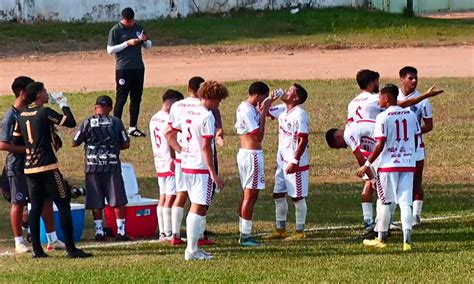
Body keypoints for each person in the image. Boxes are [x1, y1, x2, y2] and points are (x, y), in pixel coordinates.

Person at [13, 82, 91, 258]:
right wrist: (64, 104)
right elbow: (70, 122)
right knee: (63, 203)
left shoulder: (21, 116)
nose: (47, 95)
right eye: (45, 92)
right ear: (39, 95)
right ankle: (71, 249)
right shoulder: (44, 112)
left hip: (30, 169)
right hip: (48, 166)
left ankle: (37, 250)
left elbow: (16, 140)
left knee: (35, 208)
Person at [0, 76, 66, 254]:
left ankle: (52, 239)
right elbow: (3, 144)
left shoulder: (34, 112)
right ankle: (18, 241)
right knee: (18, 201)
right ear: (22, 93)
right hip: (17, 166)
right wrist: (29, 149)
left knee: (45, 199)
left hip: (35, 165)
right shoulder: (11, 115)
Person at [168, 80, 228, 260]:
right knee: (198, 207)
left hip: (186, 165)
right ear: (210, 97)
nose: (219, 104)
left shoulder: (188, 111)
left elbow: (168, 133)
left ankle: (192, 249)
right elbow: (205, 147)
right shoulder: (207, 116)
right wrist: (213, 173)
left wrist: (180, 150)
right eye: (218, 100)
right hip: (200, 167)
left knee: (195, 205)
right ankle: (192, 250)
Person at [357, 84, 421, 252]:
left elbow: (380, 144)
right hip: (407, 164)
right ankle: (407, 242)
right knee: (405, 203)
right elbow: (416, 139)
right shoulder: (411, 115)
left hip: (388, 166)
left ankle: (381, 239)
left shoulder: (383, 117)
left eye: (380, 97)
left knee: (385, 202)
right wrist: (410, 156)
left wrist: (367, 164)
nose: (378, 100)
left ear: (386, 98)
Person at [72, 95, 130, 241]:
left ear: (95, 107)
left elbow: (74, 142)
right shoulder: (116, 122)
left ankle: (99, 231)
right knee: (117, 199)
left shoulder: (87, 122)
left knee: (95, 200)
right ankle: (121, 232)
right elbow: (125, 143)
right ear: (110, 108)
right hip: (111, 166)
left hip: (92, 167)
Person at [264, 83, 310, 241]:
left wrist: (295, 160)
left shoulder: (300, 114)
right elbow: (264, 112)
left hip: (295, 163)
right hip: (282, 162)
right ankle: (280, 229)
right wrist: (270, 99)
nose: (286, 91)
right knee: (278, 195)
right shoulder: (283, 110)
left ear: (296, 97)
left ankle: (300, 231)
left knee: (297, 197)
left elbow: (303, 139)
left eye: (290, 91)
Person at [398, 66, 439, 225]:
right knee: (399, 180)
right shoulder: (395, 97)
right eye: (410, 78)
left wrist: (415, 132)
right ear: (402, 79)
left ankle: (415, 215)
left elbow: (429, 125)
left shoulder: (424, 101)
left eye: (416, 78)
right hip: (399, 148)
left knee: (416, 180)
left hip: (416, 147)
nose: (414, 81)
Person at [325, 119, 378, 239]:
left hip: (385, 148)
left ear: (338, 136)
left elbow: (359, 157)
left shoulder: (348, 134)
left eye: (339, 146)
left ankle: (379, 227)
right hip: (380, 149)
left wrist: (371, 177)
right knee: (372, 185)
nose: (343, 148)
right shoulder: (352, 128)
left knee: (380, 188)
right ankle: (373, 224)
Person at [234, 81, 271, 246]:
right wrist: (262, 114)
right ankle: (245, 235)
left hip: (247, 154)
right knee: (250, 195)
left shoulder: (246, 108)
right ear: (257, 96)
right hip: (252, 155)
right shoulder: (247, 110)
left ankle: (243, 230)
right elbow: (258, 136)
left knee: (248, 194)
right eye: (262, 99)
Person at [107, 7, 152, 138]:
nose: (131, 23)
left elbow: (148, 45)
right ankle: (116, 127)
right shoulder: (115, 30)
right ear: (123, 19)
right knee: (121, 98)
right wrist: (127, 43)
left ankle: (133, 127)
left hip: (138, 68)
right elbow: (110, 50)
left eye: (132, 20)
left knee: (136, 98)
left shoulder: (138, 28)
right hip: (123, 69)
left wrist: (145, 40)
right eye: (128, 21)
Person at [149, 89, 184, 242]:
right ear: (171, 102)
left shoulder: (154, 118)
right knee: (170, 196)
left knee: (163, 196)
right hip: (169, 160)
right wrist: (174, 157)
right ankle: (168, 232)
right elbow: (170, 138)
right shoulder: (167, 119)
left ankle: (163, 232)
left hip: (158, 160)